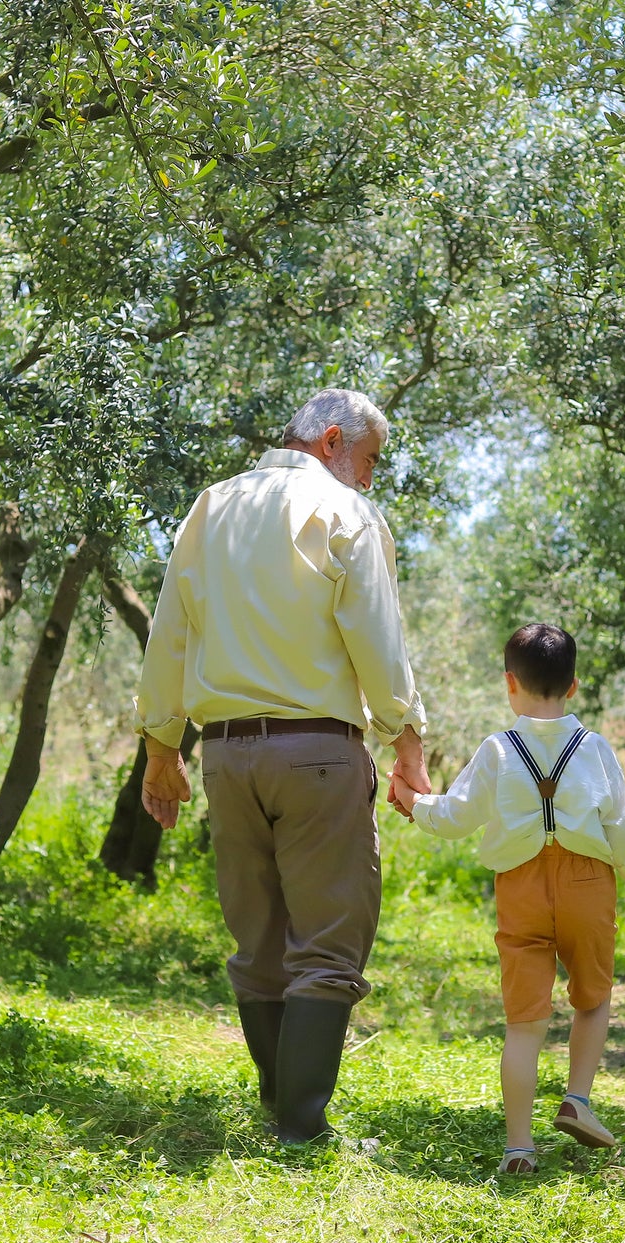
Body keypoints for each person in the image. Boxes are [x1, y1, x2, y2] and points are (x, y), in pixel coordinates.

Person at [134, 388, 431, 1144]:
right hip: (319, 754)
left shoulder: (211, 507)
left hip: (227, 759)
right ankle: (302, 1126)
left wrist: (161, 748)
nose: (368, 479)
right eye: (368, 460)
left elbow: (170, 633)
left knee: (258, 939)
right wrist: (407, 737)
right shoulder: (346, 513)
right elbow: (376, 635)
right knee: (329, 940)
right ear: (332, 440)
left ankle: (278, 1105)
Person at [393, 622, 625, 1175]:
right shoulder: (596, 749)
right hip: (588, 884)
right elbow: (622, 828)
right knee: (593, 996)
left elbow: (456, 816)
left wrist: (413, 803)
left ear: (509, 684)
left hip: (520, 885)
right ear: (574, 687)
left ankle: (519, 1148)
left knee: (524, 1023)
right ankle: (577, 1099)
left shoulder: (497, 750)